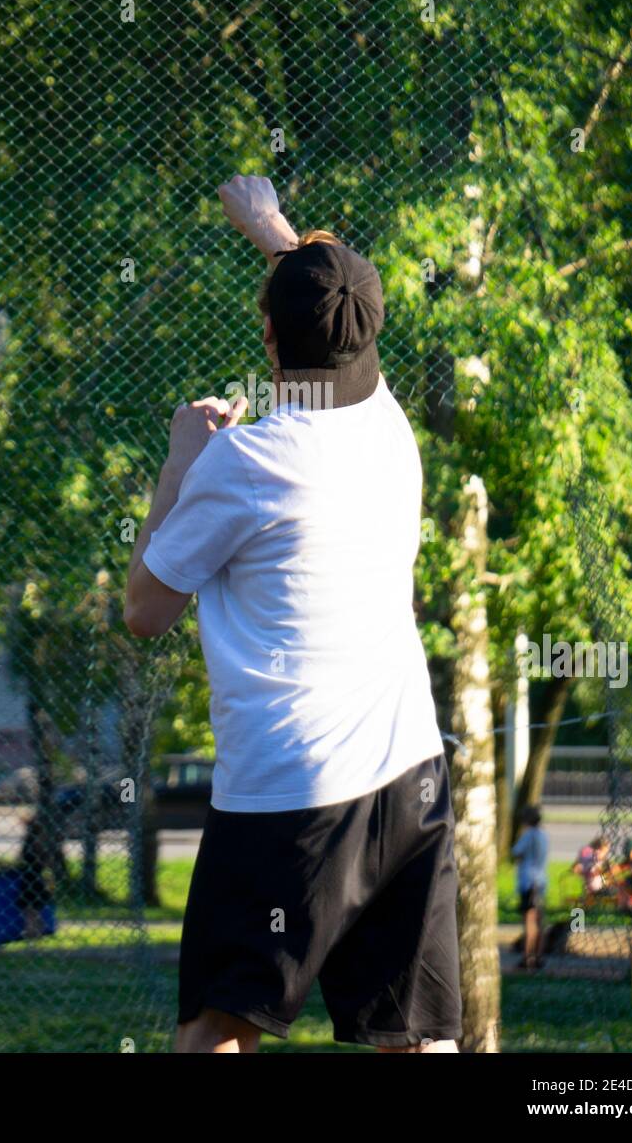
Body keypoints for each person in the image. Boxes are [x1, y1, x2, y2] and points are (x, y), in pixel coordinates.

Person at [124, 175, 461, 1054]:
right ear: (365, 332)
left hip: (291, 801)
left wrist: (180, 461)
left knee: (217, 1031)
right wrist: (273, 231)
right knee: (412, 1037)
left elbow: (146, 610)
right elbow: (326, 307)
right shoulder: (391, 425)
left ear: (269, 339)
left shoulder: (245, 463)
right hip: (410, 779)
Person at [512, 805, 548, 970]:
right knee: (539, 920)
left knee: (529, 920)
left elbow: (516, 852)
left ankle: (527, 956)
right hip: (541, 879)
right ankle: (539, 955)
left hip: (529, 881)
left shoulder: (528, 836)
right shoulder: (543, 835)